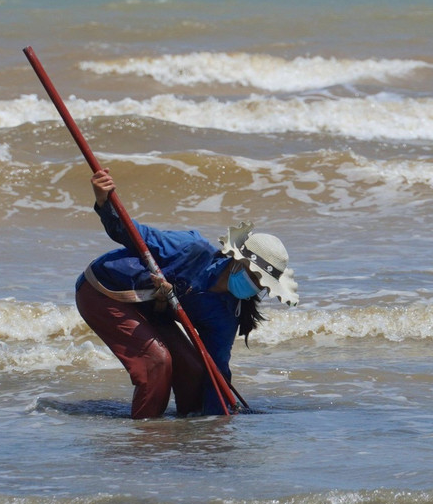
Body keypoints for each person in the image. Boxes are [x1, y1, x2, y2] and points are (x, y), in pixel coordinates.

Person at [75, 168, 298, 418]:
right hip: (103, 290)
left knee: (193, 370)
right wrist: (104, 201)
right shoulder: (189, 248)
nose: (256, 287)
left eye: (263, 285)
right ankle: (145, 435)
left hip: (151, 309)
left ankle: (187, 433)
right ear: (238, 260)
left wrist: (219, 418)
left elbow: (216, 371)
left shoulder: (225, 315)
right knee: (156, 362)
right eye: (256, 276)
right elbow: (131, 234)